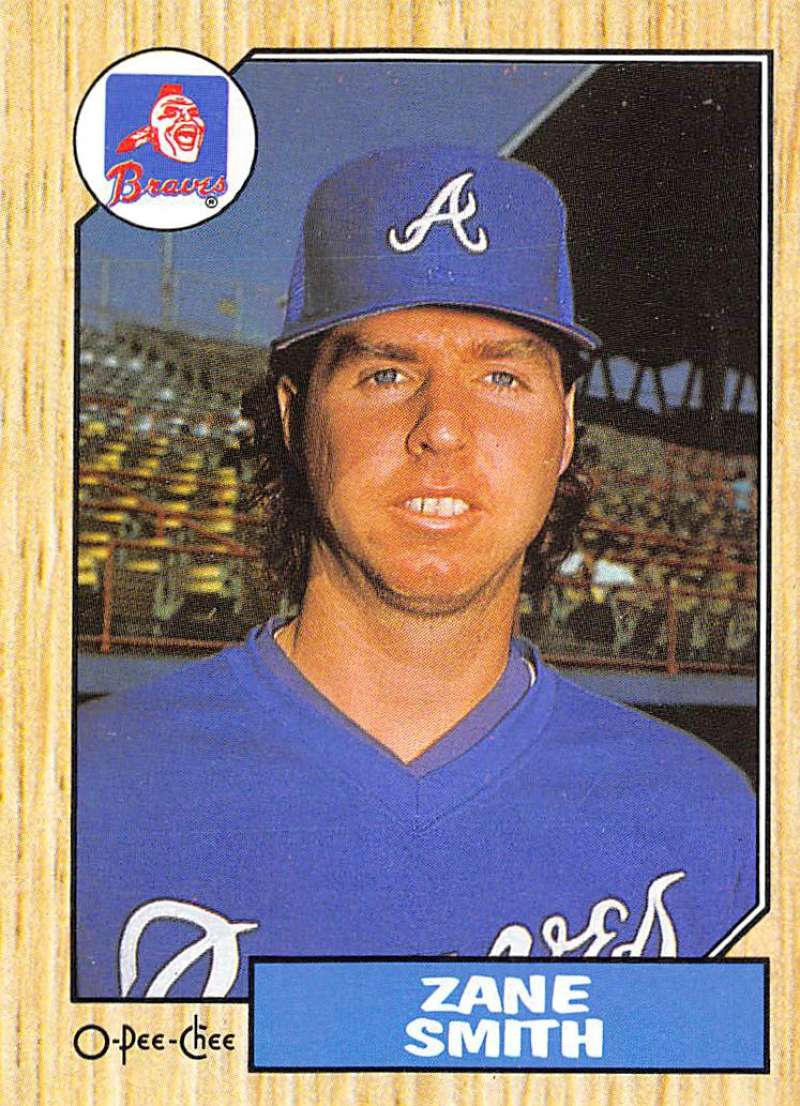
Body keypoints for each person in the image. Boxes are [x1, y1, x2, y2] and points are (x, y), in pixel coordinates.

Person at [76, 146, 756, 999]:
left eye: (501, 376)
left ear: (565, 429)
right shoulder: (84, 789)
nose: (442, 427)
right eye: (387, 372)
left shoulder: (705, 820)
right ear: (293, 416)